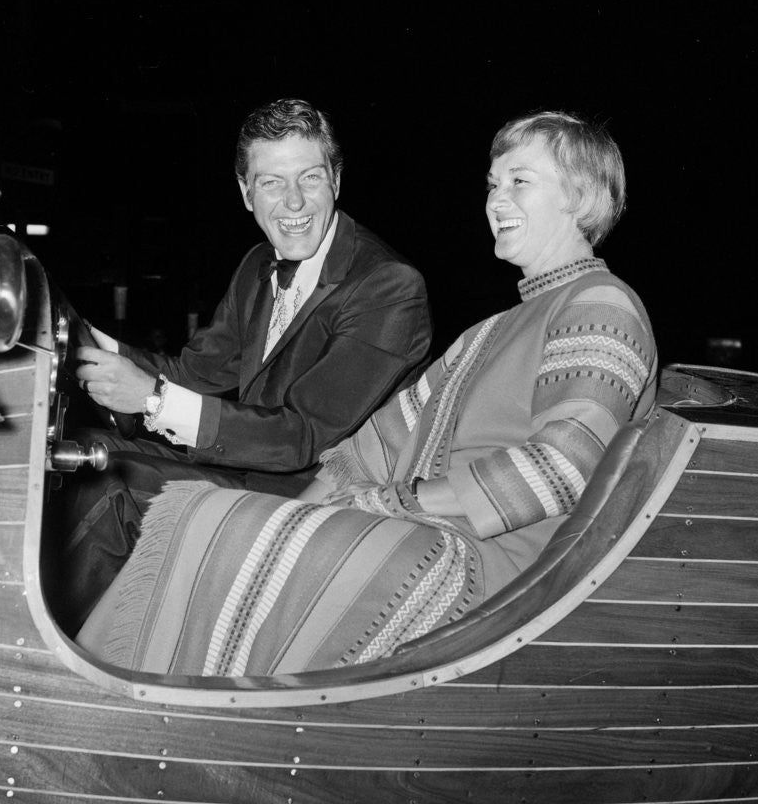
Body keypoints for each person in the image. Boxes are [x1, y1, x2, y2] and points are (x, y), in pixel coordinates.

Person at [76, 110, 658, 676]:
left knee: (203, 517)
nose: (495, 200)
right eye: (492, 184)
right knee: (205, 512)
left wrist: (392, 503)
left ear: (581, 196)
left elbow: (561, 469)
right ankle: (119, 686)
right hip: (428, 532)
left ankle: (115, 691)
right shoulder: (491, 330)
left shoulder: (600, 303)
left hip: (494, 573)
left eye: (519, 182)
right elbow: (370, 449)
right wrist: (298, 512)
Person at [58, 98, 431, 630]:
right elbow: (195, 373)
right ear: (245, 192)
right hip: (250, 471)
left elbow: (302, 436)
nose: (294, 201)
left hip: (322, 500)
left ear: (336, 180)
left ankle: (58, 654)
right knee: (83, 454)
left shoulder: (388, 286)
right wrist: (92, 346)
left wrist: (152, 400)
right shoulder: (259, 264)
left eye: (310, 178)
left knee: (107, 486)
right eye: (271, 182)